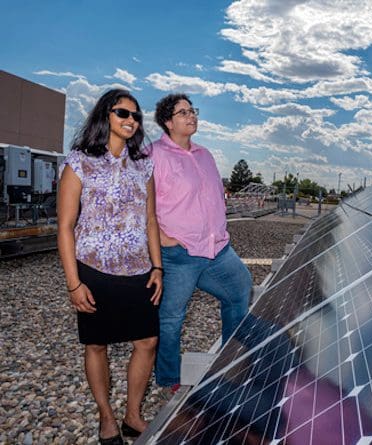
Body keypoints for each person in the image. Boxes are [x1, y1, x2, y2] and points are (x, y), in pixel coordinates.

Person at [57, 89, 162, 444]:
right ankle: (107, 417)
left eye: (135, 116)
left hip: (138, 270)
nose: (131, 120)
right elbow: (66, 227)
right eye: (122, 113)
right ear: (105, 116)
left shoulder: (143, 166)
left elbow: (151, 221)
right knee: (96, 344)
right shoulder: (79, 162)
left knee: (147, 341)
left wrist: (158, 268)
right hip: (94, 269)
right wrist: (74, 283)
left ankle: (133, 415)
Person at [149, 93, 252, 393]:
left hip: (217, 249)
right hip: (179, 253)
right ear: (168, 122)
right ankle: (169, 379)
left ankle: (231, 361)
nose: (191, 116)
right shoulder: (153, 155)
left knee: (239, 290)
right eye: (183, 112)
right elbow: (141, 204)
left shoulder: (205, 155)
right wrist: (165, 240)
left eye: (192, 110)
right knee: (170, 319)